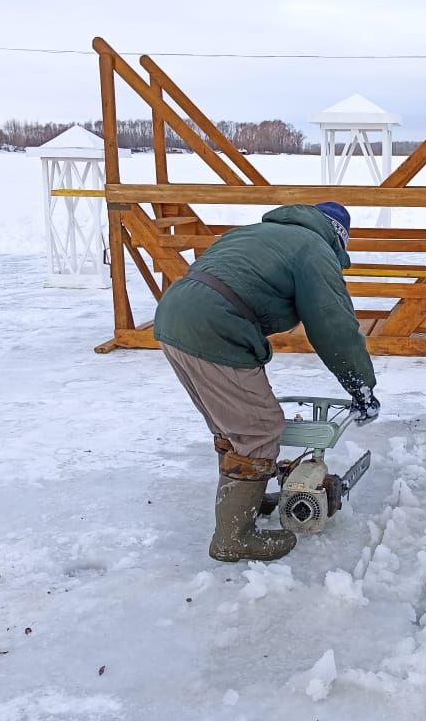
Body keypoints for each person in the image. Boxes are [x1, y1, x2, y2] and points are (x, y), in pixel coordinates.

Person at [153, 201, 379, 562]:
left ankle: (248, 503)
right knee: (259, 429)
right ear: (339, 238)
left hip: (173, 318)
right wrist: (361, 386)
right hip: (215, 326)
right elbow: (333, 326)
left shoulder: (260, 232)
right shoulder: (315, 249)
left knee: (232, 427)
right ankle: (234, 536)